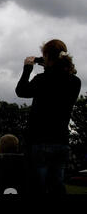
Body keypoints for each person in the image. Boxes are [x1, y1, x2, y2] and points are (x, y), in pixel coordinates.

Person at [15, 39, 81, 194]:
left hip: (39, 140)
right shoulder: (75, 82)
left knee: (36, 187)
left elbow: (21, 91)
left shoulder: (42, 80)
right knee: (57, 186)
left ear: (47, 56)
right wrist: (50, 68)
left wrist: (27, 68)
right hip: (61, 141)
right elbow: (59, 81)